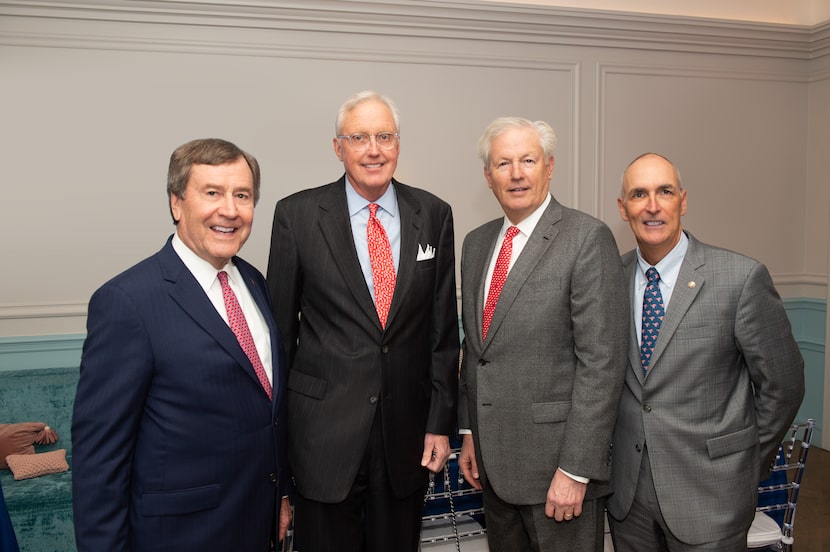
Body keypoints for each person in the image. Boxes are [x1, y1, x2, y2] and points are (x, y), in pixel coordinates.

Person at [72, 138, 291, 551]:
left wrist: (279, 494)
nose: (229, 210)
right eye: (212, 193)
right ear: (176, 203)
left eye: (242, 195)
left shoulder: (255, 282)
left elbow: (266, 410)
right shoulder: (127, 302)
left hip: (257, 526)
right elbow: (99, 463)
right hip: (180, 537)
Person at [266, 90, 459, 552]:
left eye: (384, 136)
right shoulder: (297, 216)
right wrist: (278, 454)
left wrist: (439, 423)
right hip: (322, 441)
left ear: (397, 144)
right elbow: (278, 338)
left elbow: (442, 333)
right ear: (338, 148)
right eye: (359, 137)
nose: (374, 149)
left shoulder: (433, 214)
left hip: (405, 437)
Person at [607, 152, 805, 551]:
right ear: (623, 208)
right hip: (628, 499)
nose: (652, 205)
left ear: (683, 200)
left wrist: (744, 463)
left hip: (712, 497)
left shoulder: (740, 278)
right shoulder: (609, 276)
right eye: (638, 194)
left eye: (664, 191)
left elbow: (784, 385)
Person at [457, 116, 629, 551]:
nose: (516, 173)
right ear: (488, 176)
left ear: (549, 167)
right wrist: (471, 434)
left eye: (528, 160)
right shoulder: (476, 244)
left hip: (558, 474)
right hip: (495, 469)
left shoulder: (586, 238)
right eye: (503, 163)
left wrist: (575, 471)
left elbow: (602, 364)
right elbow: (478, 348)